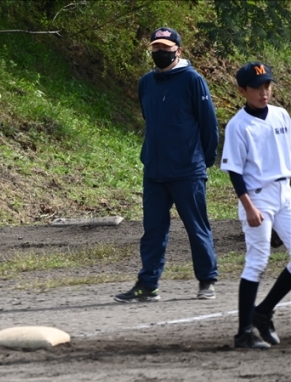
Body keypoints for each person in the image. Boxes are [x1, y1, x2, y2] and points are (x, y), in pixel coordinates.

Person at [115, 27, 219, 303]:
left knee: (197, 228)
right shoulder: (146, 83)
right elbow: (150, 119)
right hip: (155, 170)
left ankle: (207, 280)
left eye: (165, 48)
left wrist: (203, 161)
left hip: (187, 170)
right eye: (156, 48)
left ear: (178, 50)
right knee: (152, 232)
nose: (160, 52)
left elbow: (209, 125)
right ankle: (148, 285)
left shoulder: (193, 80)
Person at [220, 62, 291, 349]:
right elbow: (234, 171)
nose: (264, 92)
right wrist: (248, 207)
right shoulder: (238, 125)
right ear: (242, 91)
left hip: (285, 193)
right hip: (257, 197)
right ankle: (244, 333)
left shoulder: (281, 115)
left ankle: (263, 311)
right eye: (257, 88)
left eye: (267, 86)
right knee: (258, 262)